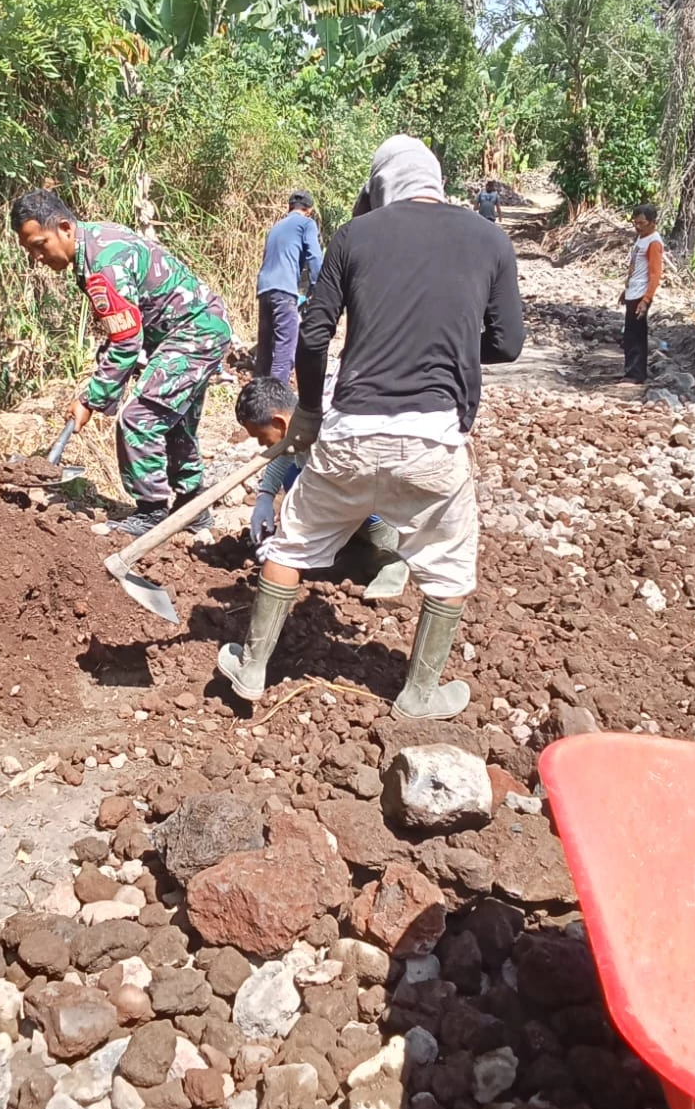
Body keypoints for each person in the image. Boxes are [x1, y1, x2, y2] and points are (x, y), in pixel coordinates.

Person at [217, 134, 525, 717]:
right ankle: (419, 692)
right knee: (451, 563)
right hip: (435, 439)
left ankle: (252, 669)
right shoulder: (489, 238)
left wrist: (308, 410)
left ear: (380, 186)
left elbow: (313, 335)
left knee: (294, 541)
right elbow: (508, 343)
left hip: (352, 431)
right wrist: (444, 349)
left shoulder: (354, 235)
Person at [11, 189, 232, 536]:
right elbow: (125, 330)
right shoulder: (96, 243)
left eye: (40, 244)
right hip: (201, 328)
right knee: (174, 421)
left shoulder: (103, 266)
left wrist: (91, 399)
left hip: (194, 332)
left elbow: (127, 342)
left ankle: (152, 512)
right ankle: (193, 508)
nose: (37, 256)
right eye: (30, 250)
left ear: (65, 228)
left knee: (139, 419)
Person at [237, 375, 409, 598]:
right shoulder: (297, 423)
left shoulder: (333, 429)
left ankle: (392, 559)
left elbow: (325, 493)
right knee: (293, 477)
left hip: (379, 487)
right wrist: (265, 495)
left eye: (262, 437)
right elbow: (284, 454)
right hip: (341, 488)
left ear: (280, 422)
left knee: (319, 493)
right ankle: (352, 548)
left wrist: (290, 541)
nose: (262, 445)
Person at [254, 189, 323, 382]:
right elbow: (315, 256)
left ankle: (258, 393)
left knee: (265, 346)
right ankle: (277, 396)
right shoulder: (306, 223)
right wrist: (318, 285)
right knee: (285, 346)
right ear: (309, 210)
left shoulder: (276, 227)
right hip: (284, 289)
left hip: (264, 288)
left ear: (289, 207)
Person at [620, 203, 664, 385]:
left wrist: (646, 299)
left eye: (641, 223)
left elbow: (655, 274)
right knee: (630, 334)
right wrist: (626, 290)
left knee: (636, 335)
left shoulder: (653, 242)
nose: (637, 226)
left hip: (641, 294)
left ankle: (636, 374)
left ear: (652, 222)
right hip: (633, 291)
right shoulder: (641, 238)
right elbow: (637, 268)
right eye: (635, 223)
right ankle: (632, 371)